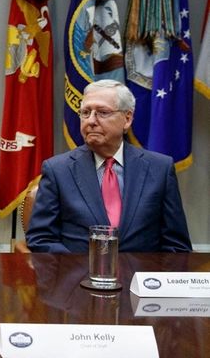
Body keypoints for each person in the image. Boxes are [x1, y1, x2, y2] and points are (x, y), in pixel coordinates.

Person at [26, 79, 192, 253]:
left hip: (141, 276)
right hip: (79, 277)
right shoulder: (57, 170)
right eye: (85, 112)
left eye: (102, 113)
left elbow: (176, 246)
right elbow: (41, 239)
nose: (91, 121)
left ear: (127, 119)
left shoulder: (160, 169)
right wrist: (82, 269)